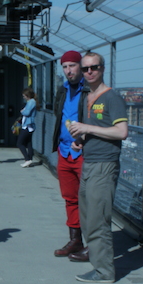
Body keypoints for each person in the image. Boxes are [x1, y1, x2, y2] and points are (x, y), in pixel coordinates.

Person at [68, 52, 128, 283]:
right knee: (88, 218)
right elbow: (93, 128)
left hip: (104, 164)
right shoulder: (88, 97)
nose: (89, 72)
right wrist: (81, 139)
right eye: (85, 69)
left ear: (103, 69)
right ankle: (99, 267)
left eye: (94, 67)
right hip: (90, 162)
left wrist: (87, 129)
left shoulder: (111, 97)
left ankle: (104, 272)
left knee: (98, 220)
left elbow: (121, 132)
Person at [52, 51, 90, 261]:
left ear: (81, 66)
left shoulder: (89, 90)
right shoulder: (62, 90)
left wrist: (84, 139)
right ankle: (75, 240)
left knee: (89, 199)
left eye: (72, 66)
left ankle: (94, 245)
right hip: (64, 151)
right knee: (70, 198)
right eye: (65, 66)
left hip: (83, 152)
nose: (68, 71)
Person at [17, 87, 37, 168]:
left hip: (27, 126)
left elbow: (27, 112)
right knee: (28, 143)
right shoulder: (31, 102)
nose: (23, 97)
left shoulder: (31, 102)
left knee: (19, 143)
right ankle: (30, 158)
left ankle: (27, 159)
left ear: (27, 95)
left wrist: (22, 111)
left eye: (24, 96)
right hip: (28, 126)